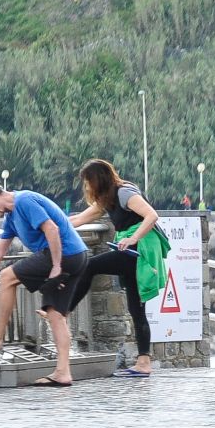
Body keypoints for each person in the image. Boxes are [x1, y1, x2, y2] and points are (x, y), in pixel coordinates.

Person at [0, 177, 90, 387]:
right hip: (76, 256)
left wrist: (56, 266)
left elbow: (52, 229)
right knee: (55, 314)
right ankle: (63, 372)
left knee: (7, 277)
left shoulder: (24, 201)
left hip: (65, 255)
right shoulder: (10, 218)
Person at [66, 159, 169, 378]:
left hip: (141, 251)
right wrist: (52, 226)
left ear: (98, 180)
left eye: (87, 182)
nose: (86, 188)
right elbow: (79, 219)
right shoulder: (106, 199)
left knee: (90, 265)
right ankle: (143, 363)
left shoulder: (124, 193)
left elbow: (151, 215)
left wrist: (132, 238)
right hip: (131, 251)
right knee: (136, 309)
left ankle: (65, 310)